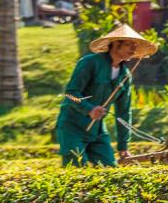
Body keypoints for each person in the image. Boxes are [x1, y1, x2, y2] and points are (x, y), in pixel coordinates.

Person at [56, 23, 157, 167]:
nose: (134, 49)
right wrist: (89, 109)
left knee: (110, 169)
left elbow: (124, 112)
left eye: (135, 46)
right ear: (116, 44)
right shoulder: (89, 63)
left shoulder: (125, 75)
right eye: (129, 44)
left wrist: (123, 146)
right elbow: (70, 94)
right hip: (72, 127)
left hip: (97, 131)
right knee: (76, 168)